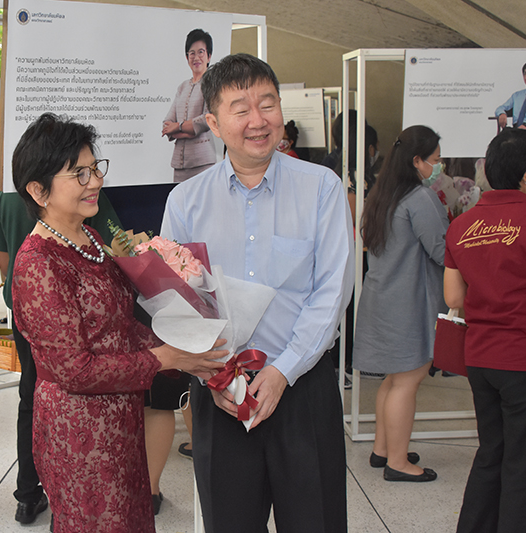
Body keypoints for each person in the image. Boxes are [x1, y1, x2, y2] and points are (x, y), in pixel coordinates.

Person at [161, 53, 354, 532]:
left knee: (315, 521)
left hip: (302, 388)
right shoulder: (185, 201)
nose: (258, 120)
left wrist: (283, 371)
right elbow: (176, 301)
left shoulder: (322, 188)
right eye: (240, 108)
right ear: (213, 123)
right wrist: (214, 374)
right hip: (221, 397)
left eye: (267, 104)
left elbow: (332, 290)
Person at [11, 112, 225, 533]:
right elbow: (73, 369)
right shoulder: (37, 263)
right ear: (38, 190)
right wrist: (164, 358)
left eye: (95, 168)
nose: (95, 181)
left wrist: (191, 342)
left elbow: (119, 327)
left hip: (121, 420)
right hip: (78, 434)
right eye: (79, 174)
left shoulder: (90, 238)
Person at [0, 185, 122, 526]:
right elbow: (116, 246)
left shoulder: (3, 197)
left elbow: (3, 259)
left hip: (25, 307)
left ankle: (27, 494)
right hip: (76, 316)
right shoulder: (81, 193)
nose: (91, 179)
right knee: (71, 395)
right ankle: (71, 494)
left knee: (31, 394)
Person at [444, 128, 526, 532]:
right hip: (523, 357)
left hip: (480, 357)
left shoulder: (462, 225)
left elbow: (453, 297)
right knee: (522, 458)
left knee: (491, 450)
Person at [353, 125, 448, 482]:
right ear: (417, 161)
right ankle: (398, 462)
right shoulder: (419, 198)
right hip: (407, 302)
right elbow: (441, 250)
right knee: (409, 379)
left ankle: (382, 449)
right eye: (435, 159)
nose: (438, 166)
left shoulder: (383, 194)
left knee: (394, 379)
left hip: (382, 297)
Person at [162, 29, 216, 183]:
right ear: (187, 57)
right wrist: (189, 131)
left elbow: (207, 119)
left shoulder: (212, 85)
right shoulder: (182, 87)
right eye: (192, 53)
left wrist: (178, 127)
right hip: (179, 165)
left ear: (209, 56)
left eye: (201, 52)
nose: (196, 57)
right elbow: (166, 123)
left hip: (203, 162)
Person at [495, 60, 526, 130]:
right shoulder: (516, 96)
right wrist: (502, 114)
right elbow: (500, 108)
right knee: (502, 136)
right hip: (516, 130)